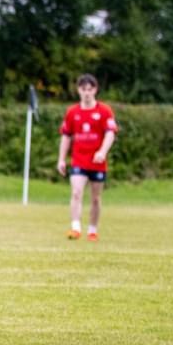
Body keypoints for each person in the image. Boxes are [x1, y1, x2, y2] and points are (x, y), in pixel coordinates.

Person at [57, 74, 118, 241]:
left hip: (97, 162)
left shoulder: (104, 111)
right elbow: (66, 136)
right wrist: (61, 159)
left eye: (90, 89)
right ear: (78, 90)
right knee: (76, 192)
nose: (86, 93)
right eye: (83, 89)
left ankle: (92, 230)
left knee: (95, 198)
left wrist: (102, 152)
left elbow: (110, 134)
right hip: (78, 160)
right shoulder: (72, 112)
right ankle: (76, 228)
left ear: (95, 90)